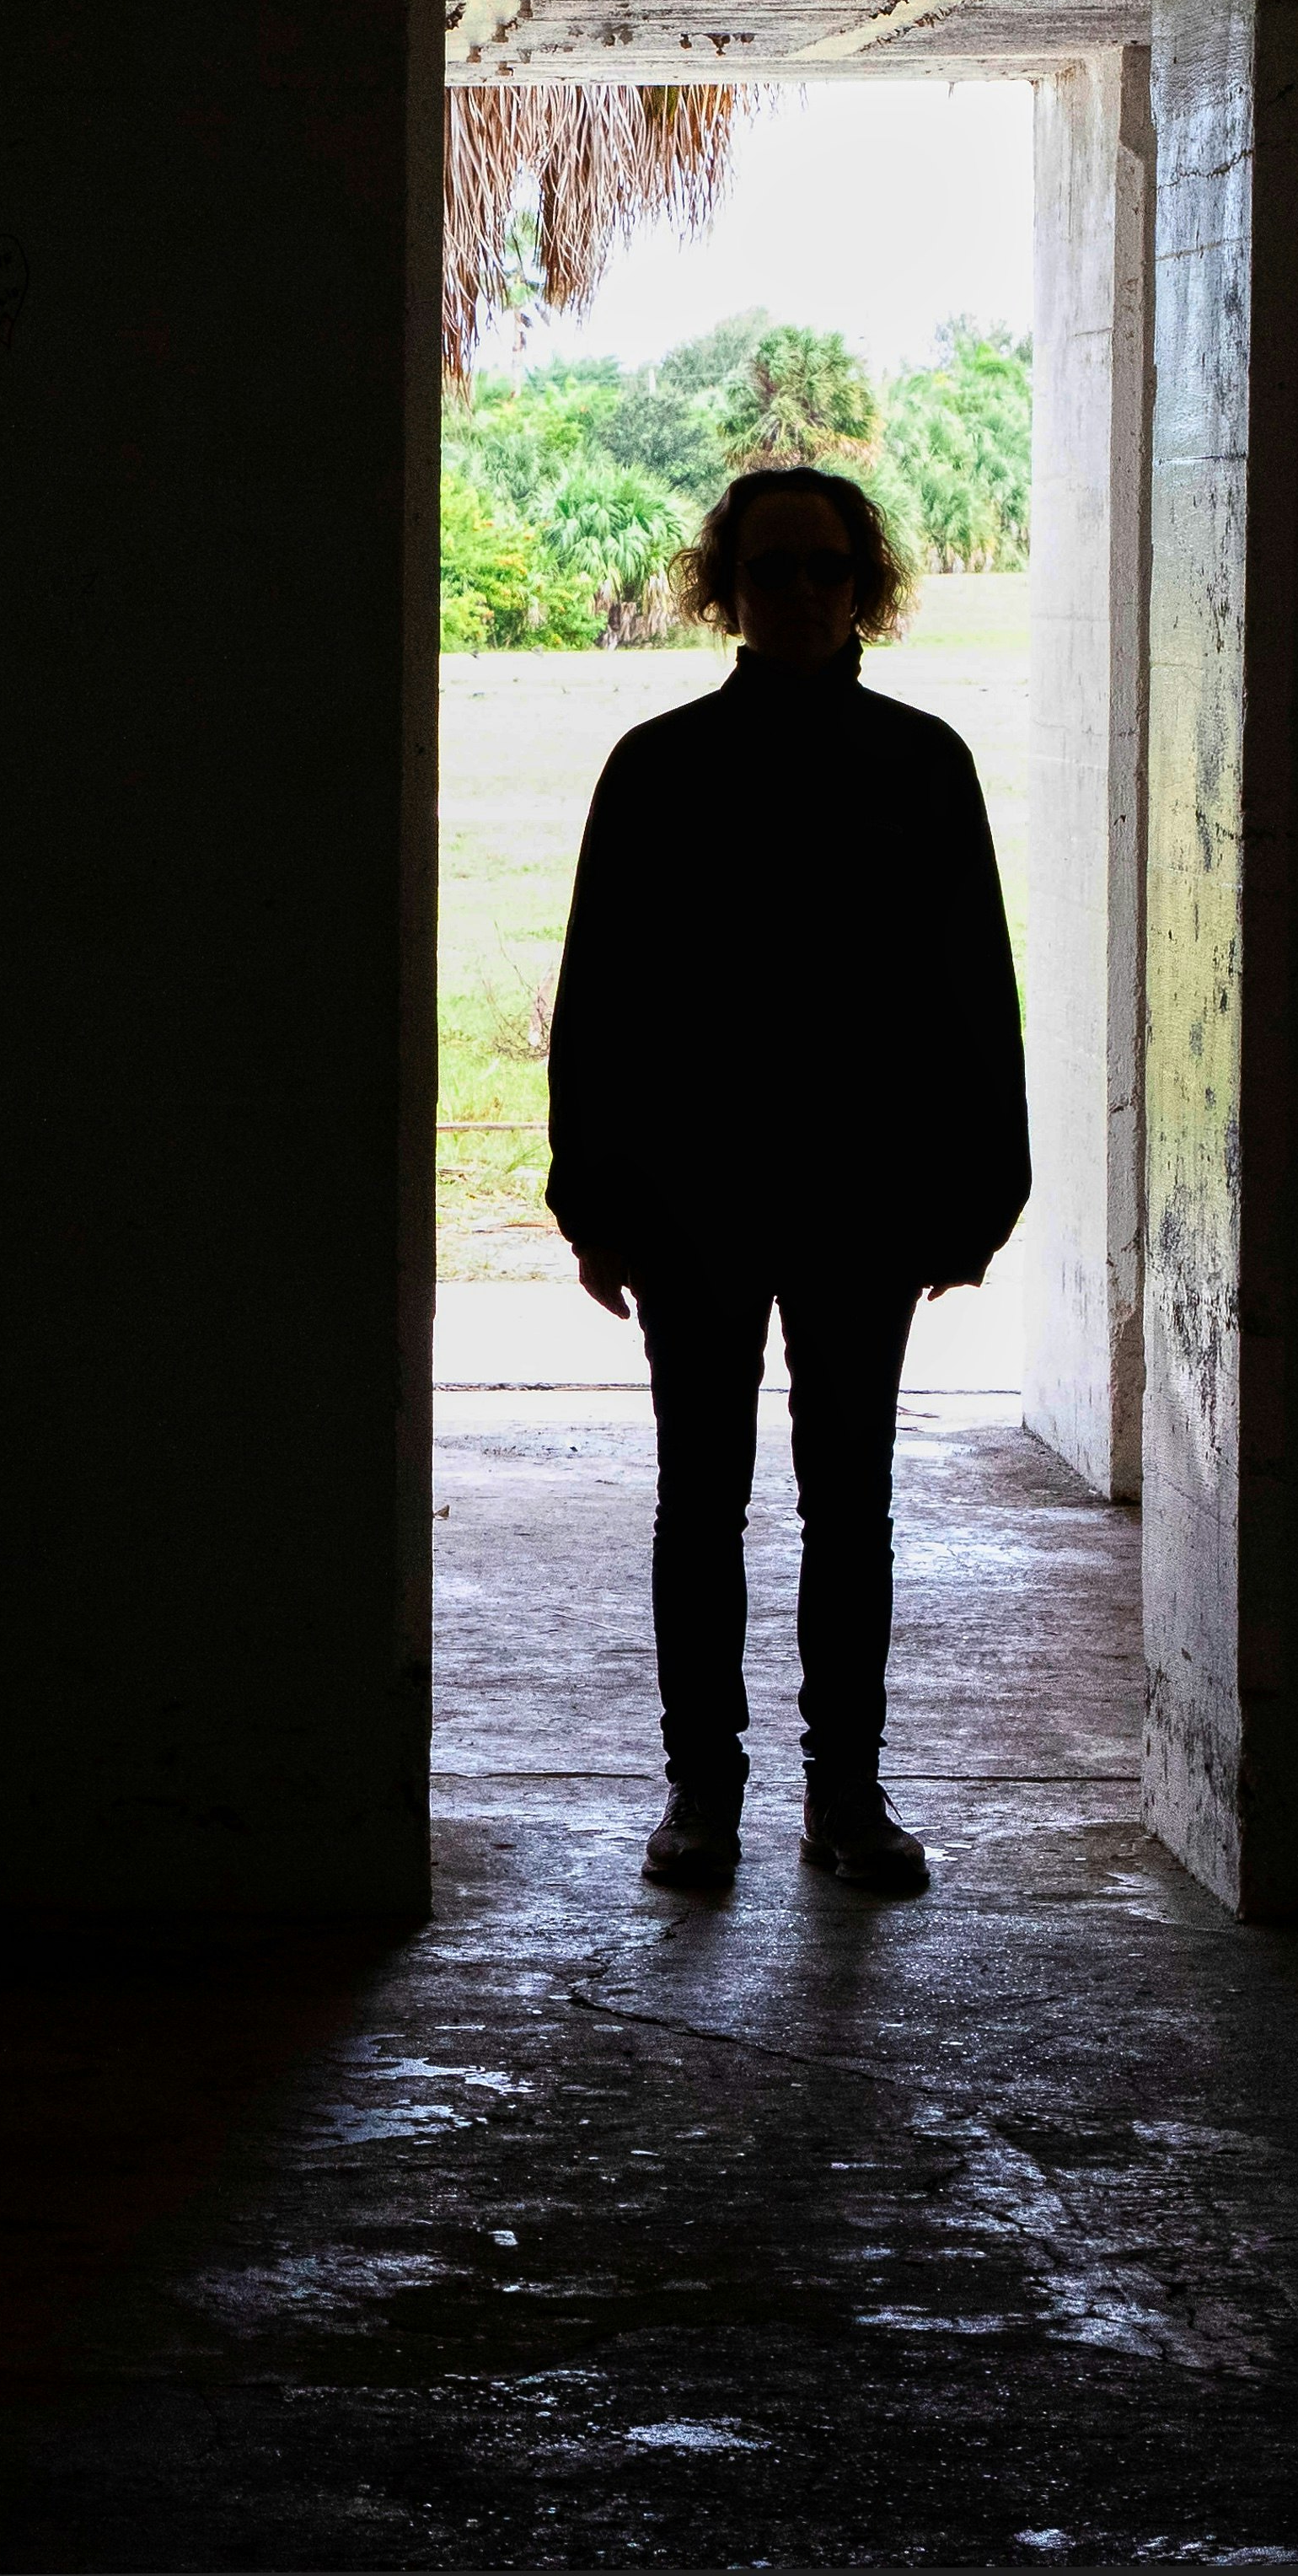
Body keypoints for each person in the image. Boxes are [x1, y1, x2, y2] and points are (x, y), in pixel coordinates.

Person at [543, 465, 1026, 1899]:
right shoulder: (657, 765)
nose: (802, 593)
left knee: (848, 1504)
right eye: (774, 569)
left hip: (862, 1199)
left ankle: (846, 1796)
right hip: (691, 1195)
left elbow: (970, 994)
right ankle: (703, 1793)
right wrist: (592, 1198)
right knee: (701, 1501)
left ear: (863, 585)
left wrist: (981, 1191)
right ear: (727, 589)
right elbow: (602, 999)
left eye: (827, 569)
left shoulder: (923, 765)